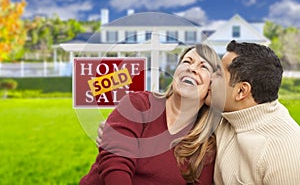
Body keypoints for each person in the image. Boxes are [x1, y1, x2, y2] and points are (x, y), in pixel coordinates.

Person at [80, 44, 225, 185]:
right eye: (187, 61)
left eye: (203, 66)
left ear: (212, 86)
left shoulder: (204, 147)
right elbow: (116, 163)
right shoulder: (138, 104)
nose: (191, 68)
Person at [214, 40, 300, 184]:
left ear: (241, 91)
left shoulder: (285, 153)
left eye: (218, 75)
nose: (210, 78)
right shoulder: (224, 115)